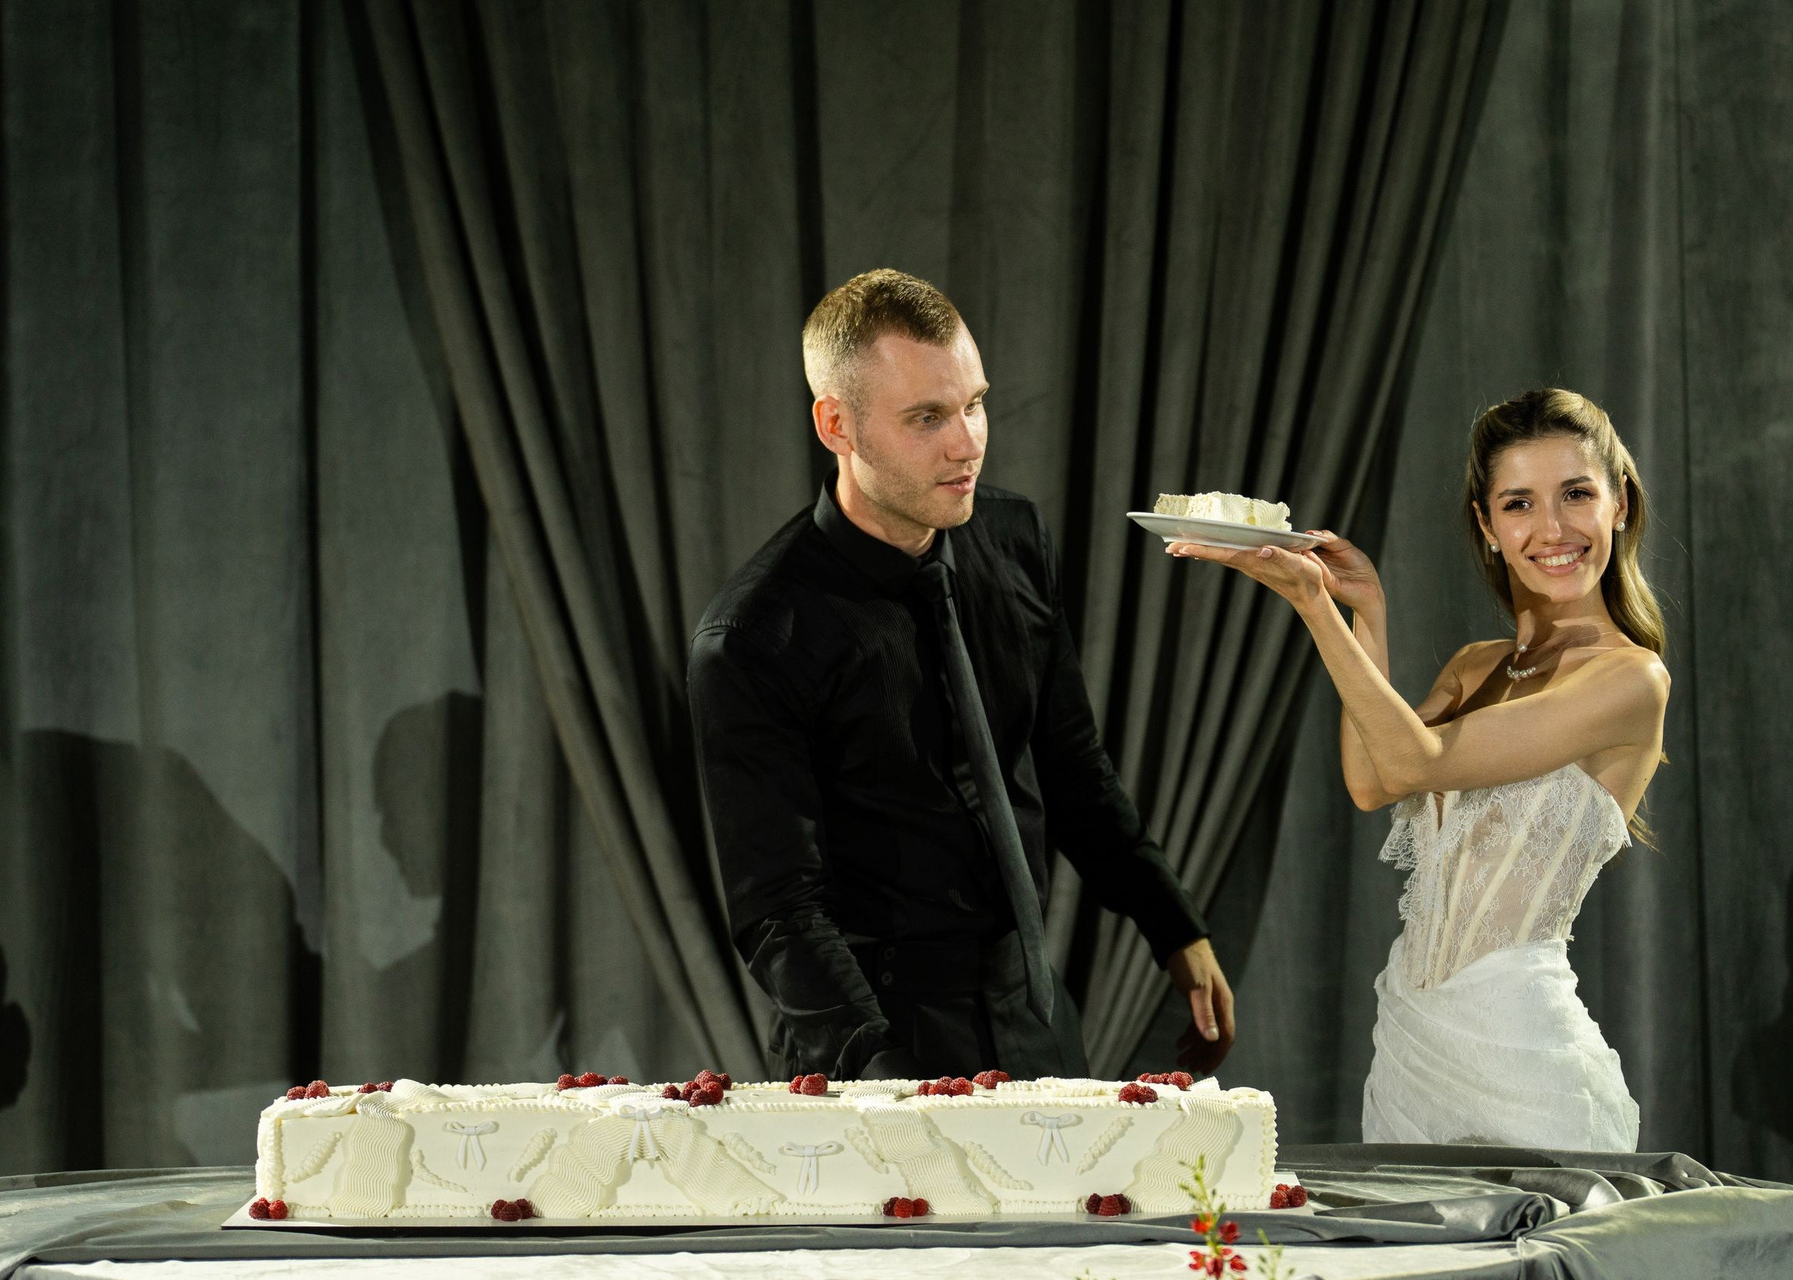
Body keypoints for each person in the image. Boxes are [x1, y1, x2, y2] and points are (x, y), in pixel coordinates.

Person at [689, 269, 1234, 1083]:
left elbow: (1072, 767)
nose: (968, 443)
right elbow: (779, 912)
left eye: (974, 404)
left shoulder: (1014, 537)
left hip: (1032, 1010)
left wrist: (1175, 927)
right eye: (928, 417)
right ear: (837, 425)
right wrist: (887, 1078)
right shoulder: (754, 636)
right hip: (871, 1037)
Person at [1167, 389, 1668, 1150]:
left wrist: (1313, 608)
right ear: (1487, 525)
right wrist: (1366, 614)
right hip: (1413, 1040)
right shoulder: (1476, 666)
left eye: (1576, 494)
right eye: (1519, 503)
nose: (1552, 529)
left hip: (1525, 1054)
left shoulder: (1631, 680)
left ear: (1619, 504)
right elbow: (1373, 782)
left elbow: (1414, 760)